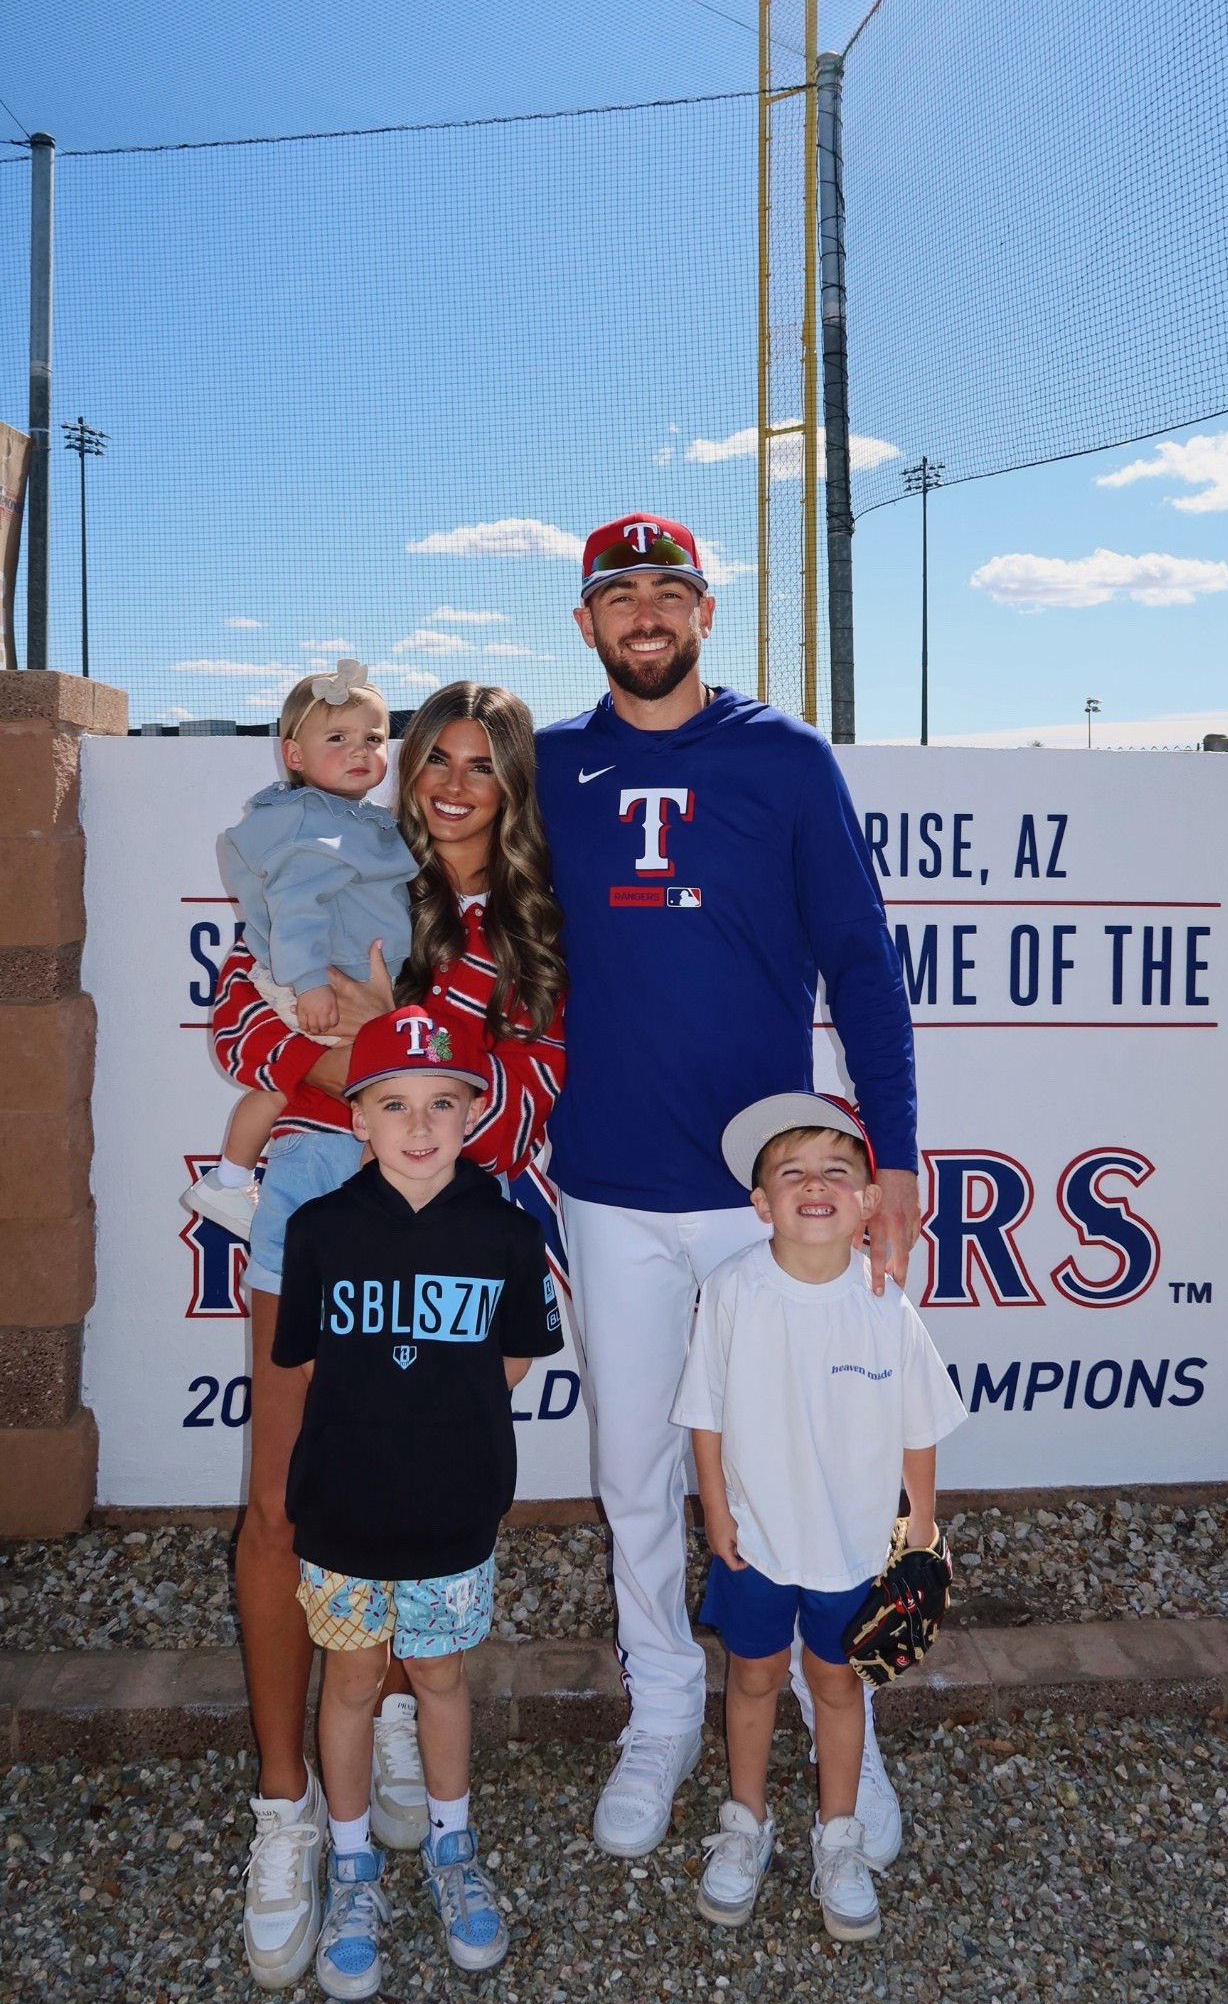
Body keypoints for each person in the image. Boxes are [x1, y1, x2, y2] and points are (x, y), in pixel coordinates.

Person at [535, 513, 921, 1863]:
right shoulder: (549, 766)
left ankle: (839, 1733)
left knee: (820, 1467)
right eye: (618, 595)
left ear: (707, 613)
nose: (644, 613)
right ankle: (663, 1714)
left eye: (668, 592)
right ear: (583, 622)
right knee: (634, 1471)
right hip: (610, 1184)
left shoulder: (783, 757)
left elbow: (863, 968)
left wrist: (898, 1157)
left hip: (772, 1196)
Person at [209, 683, 566, 1990]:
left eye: (483, 766)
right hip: (319, 1208)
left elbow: (524, 1094)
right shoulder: (355, 859)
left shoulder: (536, 917)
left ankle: (406, 1732)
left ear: (515, 785)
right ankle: (287, 1810)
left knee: (424, 1489)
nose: (453, 785)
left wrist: (399, 1057)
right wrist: (346, 1062)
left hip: (458, 1230)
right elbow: (239, 1018)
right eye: (433, 761)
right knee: (281, 1507)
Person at [273, 1004, 564, 1998]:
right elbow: (310, 1363)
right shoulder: (319, 1230)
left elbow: (514, 1354)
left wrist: (450, 1420)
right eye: (394, 1101)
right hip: (345, 1511)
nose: (421, 1122)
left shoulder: (507, 1232)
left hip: (453, 1512)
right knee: (351, 1682)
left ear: (476, 1107)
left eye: (445, 1100)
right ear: (357, 1117)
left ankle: (451, 1843)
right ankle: (351, 1864)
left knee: (439, 1674)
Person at [672, 1092, 965, 1940]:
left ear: (870, 1201)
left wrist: (917, 1532)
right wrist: (716, 1512)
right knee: (755, 1677)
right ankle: (745, 1821)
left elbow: (919, 1430)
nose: (814, 1185)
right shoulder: (731, 1291)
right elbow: (706, 1414)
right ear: (758, 1204)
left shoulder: (886, 1304)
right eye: (789, 1172)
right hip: (757, 1540)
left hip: (852, 1552)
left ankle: (837, 1839)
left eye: (837, 1171)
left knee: (837, 1686)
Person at [183, 659, 417, 1240]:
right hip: (314, 982)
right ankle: (229, 1180)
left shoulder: (352, 820)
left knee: (309, 1087)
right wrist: (311, 980)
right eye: (336, 739)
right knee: (311, 1085)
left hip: (338, 983)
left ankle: (233, 1179)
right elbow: (295, 905)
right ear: (294, 755)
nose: (359, 751)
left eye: (373, 738)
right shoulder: (314, 825)